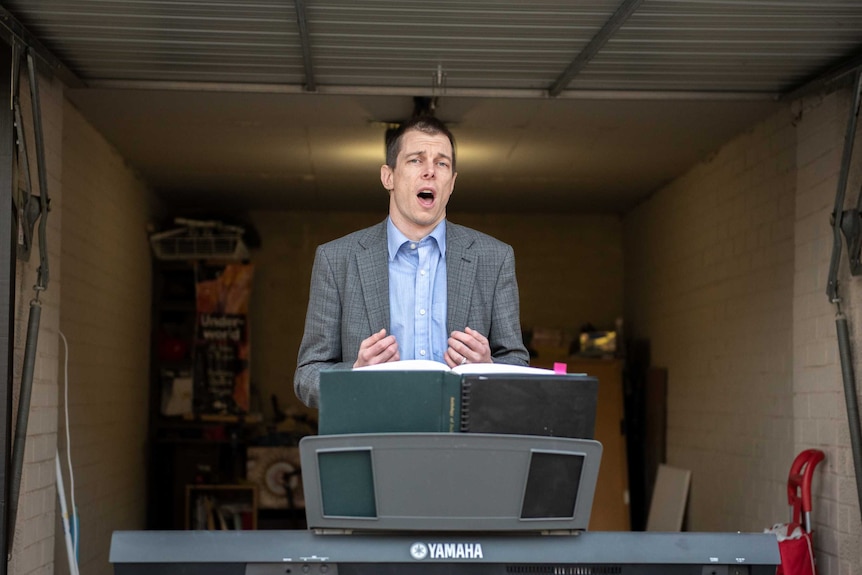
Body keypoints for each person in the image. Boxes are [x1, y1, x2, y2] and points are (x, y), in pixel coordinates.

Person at [294, 115, 529, 407]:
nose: (430, 171)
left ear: (452, 182)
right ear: (388, 176)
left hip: (462, 444)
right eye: (416, 160)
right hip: (374, 439)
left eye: (442, 163)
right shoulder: (336, 259)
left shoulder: (495, 257)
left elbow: (518, 363)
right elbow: (307, 377)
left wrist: (488, 370)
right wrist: (354, 375)